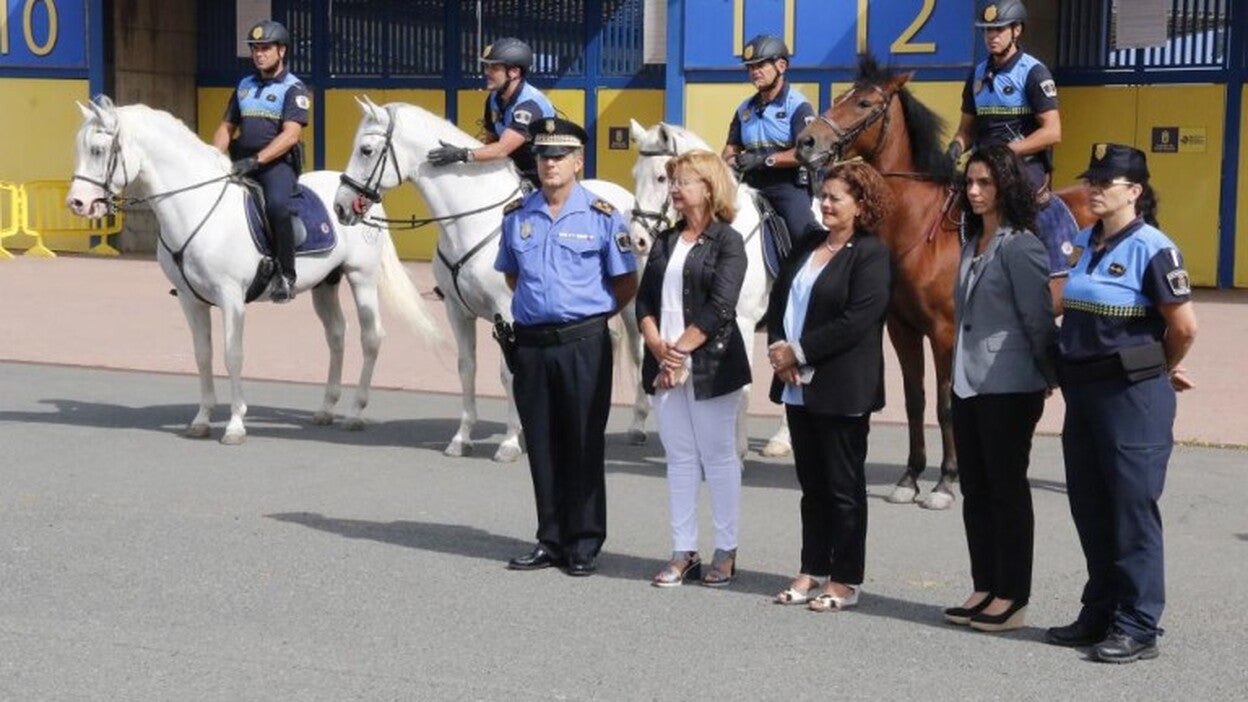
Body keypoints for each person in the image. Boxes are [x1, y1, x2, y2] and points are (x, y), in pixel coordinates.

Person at [1046, 143, 1197, 663]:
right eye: (1091, 180)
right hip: (1084, 393)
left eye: (1104, 183)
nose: (1093, 189)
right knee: (1091, 507)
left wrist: (1160, 368)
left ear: (1133, 192)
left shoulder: (1154, 248)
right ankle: (1101, 612)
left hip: (1132, 395)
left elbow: (1183, 328)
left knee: (1132, 511)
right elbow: (1066, 306)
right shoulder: (1086, 240)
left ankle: (1138, 626)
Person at [495, 117, 638, 577]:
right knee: (541, 443)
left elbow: (625, 282)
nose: (550, 163)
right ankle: (550, 538)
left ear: (578, 161)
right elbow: (512, 275)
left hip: (583, 344)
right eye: (542, 156)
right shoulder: (518, 215)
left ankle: (584, 540)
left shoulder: (601, 215)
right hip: (532, 345)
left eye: (559, 156)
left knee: (582, 442)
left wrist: (586, 317)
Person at [765, 161, 892, 612]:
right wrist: (780, 348)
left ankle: (845, 578)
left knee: (843, 487)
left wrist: (799, 351)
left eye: (837, 197)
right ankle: (812, 568)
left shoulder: (872, 253)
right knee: (812, 486)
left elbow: (858, 319)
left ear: (862, 205)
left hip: (842, 387)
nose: (826, 203)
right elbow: (780, 297)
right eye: (824, 195)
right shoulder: (808, 243)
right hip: (797, 385)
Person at [942, 145, 1058, 633]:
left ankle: (1013, 595)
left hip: (1010, 386)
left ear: (1006, 187)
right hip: (968, 385)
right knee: (977, 489)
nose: (973, 191)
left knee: (1007, 490)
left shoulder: (1022, 245)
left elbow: (1037, 318)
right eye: (969, 182)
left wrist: (1048, 377)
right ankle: (985, 584)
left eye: (984, 183)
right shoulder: (973, 244)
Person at [635, 150, 751, 588]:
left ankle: (726, 550)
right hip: (665, 365)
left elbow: (721, 305)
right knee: (680, 459)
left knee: (718, 458)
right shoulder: (665, 240)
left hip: (710, 365)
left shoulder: (728, 241)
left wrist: (680, 352)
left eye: (683, 181)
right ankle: (684, 551)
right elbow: (644, 300)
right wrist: (655, 344)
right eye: (673, 181)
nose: (675, 189)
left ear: (709, 187)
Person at [947, 0, 1073, 306]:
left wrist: (1007, 151)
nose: (992, 36)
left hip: (1023, 166)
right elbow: (967, 129)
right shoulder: (977, 75)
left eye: (999, 29)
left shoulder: (1034, 72)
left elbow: (1052, 131)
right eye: (987, 30)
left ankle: (1048, 272)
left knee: (1021, 203)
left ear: (1016, 30)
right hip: (983, 164)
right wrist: (954, 148)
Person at [212, 19, 308, 303]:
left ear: (282, 51)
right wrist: (214, 158)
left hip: (276, 166)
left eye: (265, 48)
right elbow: (226, 127)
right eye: (255, 49)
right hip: (241, 162)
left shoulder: (294, 88)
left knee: (278, 207)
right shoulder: (244, 86)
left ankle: (286, 275)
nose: (259, 54)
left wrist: (256, 160)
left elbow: (291, 135)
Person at [722, 33, 817, 247]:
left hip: (786, 186)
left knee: (805, 236)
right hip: (748, 183)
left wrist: (764, 160)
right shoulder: (744, 109)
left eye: (760, 65)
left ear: (781, 66)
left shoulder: (798, 106)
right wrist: (731, 162)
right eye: (750, 67)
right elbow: (730, 148)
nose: (754, 72)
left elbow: (806, 152)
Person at [427, 38, 556, 188]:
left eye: (494, 68)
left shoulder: (528, 106)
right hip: (514, 172)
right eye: (486, 67)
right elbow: (491, 142)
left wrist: (461, 154)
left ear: (514, 72)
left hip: (543, 179)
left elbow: (501, 149)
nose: (486, 72)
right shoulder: (494, 98)